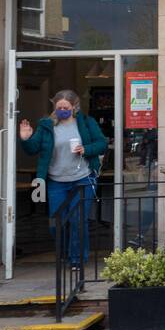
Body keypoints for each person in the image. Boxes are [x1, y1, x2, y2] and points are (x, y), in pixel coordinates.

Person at [19, 90, 108, 261]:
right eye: (59, 107)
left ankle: (76, 259)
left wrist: (86, 149)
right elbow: (32, 149)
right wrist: (26, 139)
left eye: (65, 107)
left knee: (78, 220)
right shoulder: (46, 125)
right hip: (56, 182)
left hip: (83, 178)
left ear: (74, 107)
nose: (62, 110)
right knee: (56, 223)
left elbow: (102, 143)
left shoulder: (86, 123)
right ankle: (65, 253)